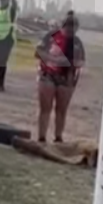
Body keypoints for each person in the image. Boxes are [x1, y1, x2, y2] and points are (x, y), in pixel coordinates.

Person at [35, 11, 85, 143]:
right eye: (67, 26)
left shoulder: (77, 42)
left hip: (66, 78)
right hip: (48, 75)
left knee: (61, 110)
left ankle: (58, 137)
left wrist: (71, 63)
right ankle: (41, 137)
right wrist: (54, 59)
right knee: (45, 108)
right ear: (62, 26)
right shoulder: (51, 36)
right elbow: (38, 51)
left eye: (73, 27)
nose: (70, 30)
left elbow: (81, 62)